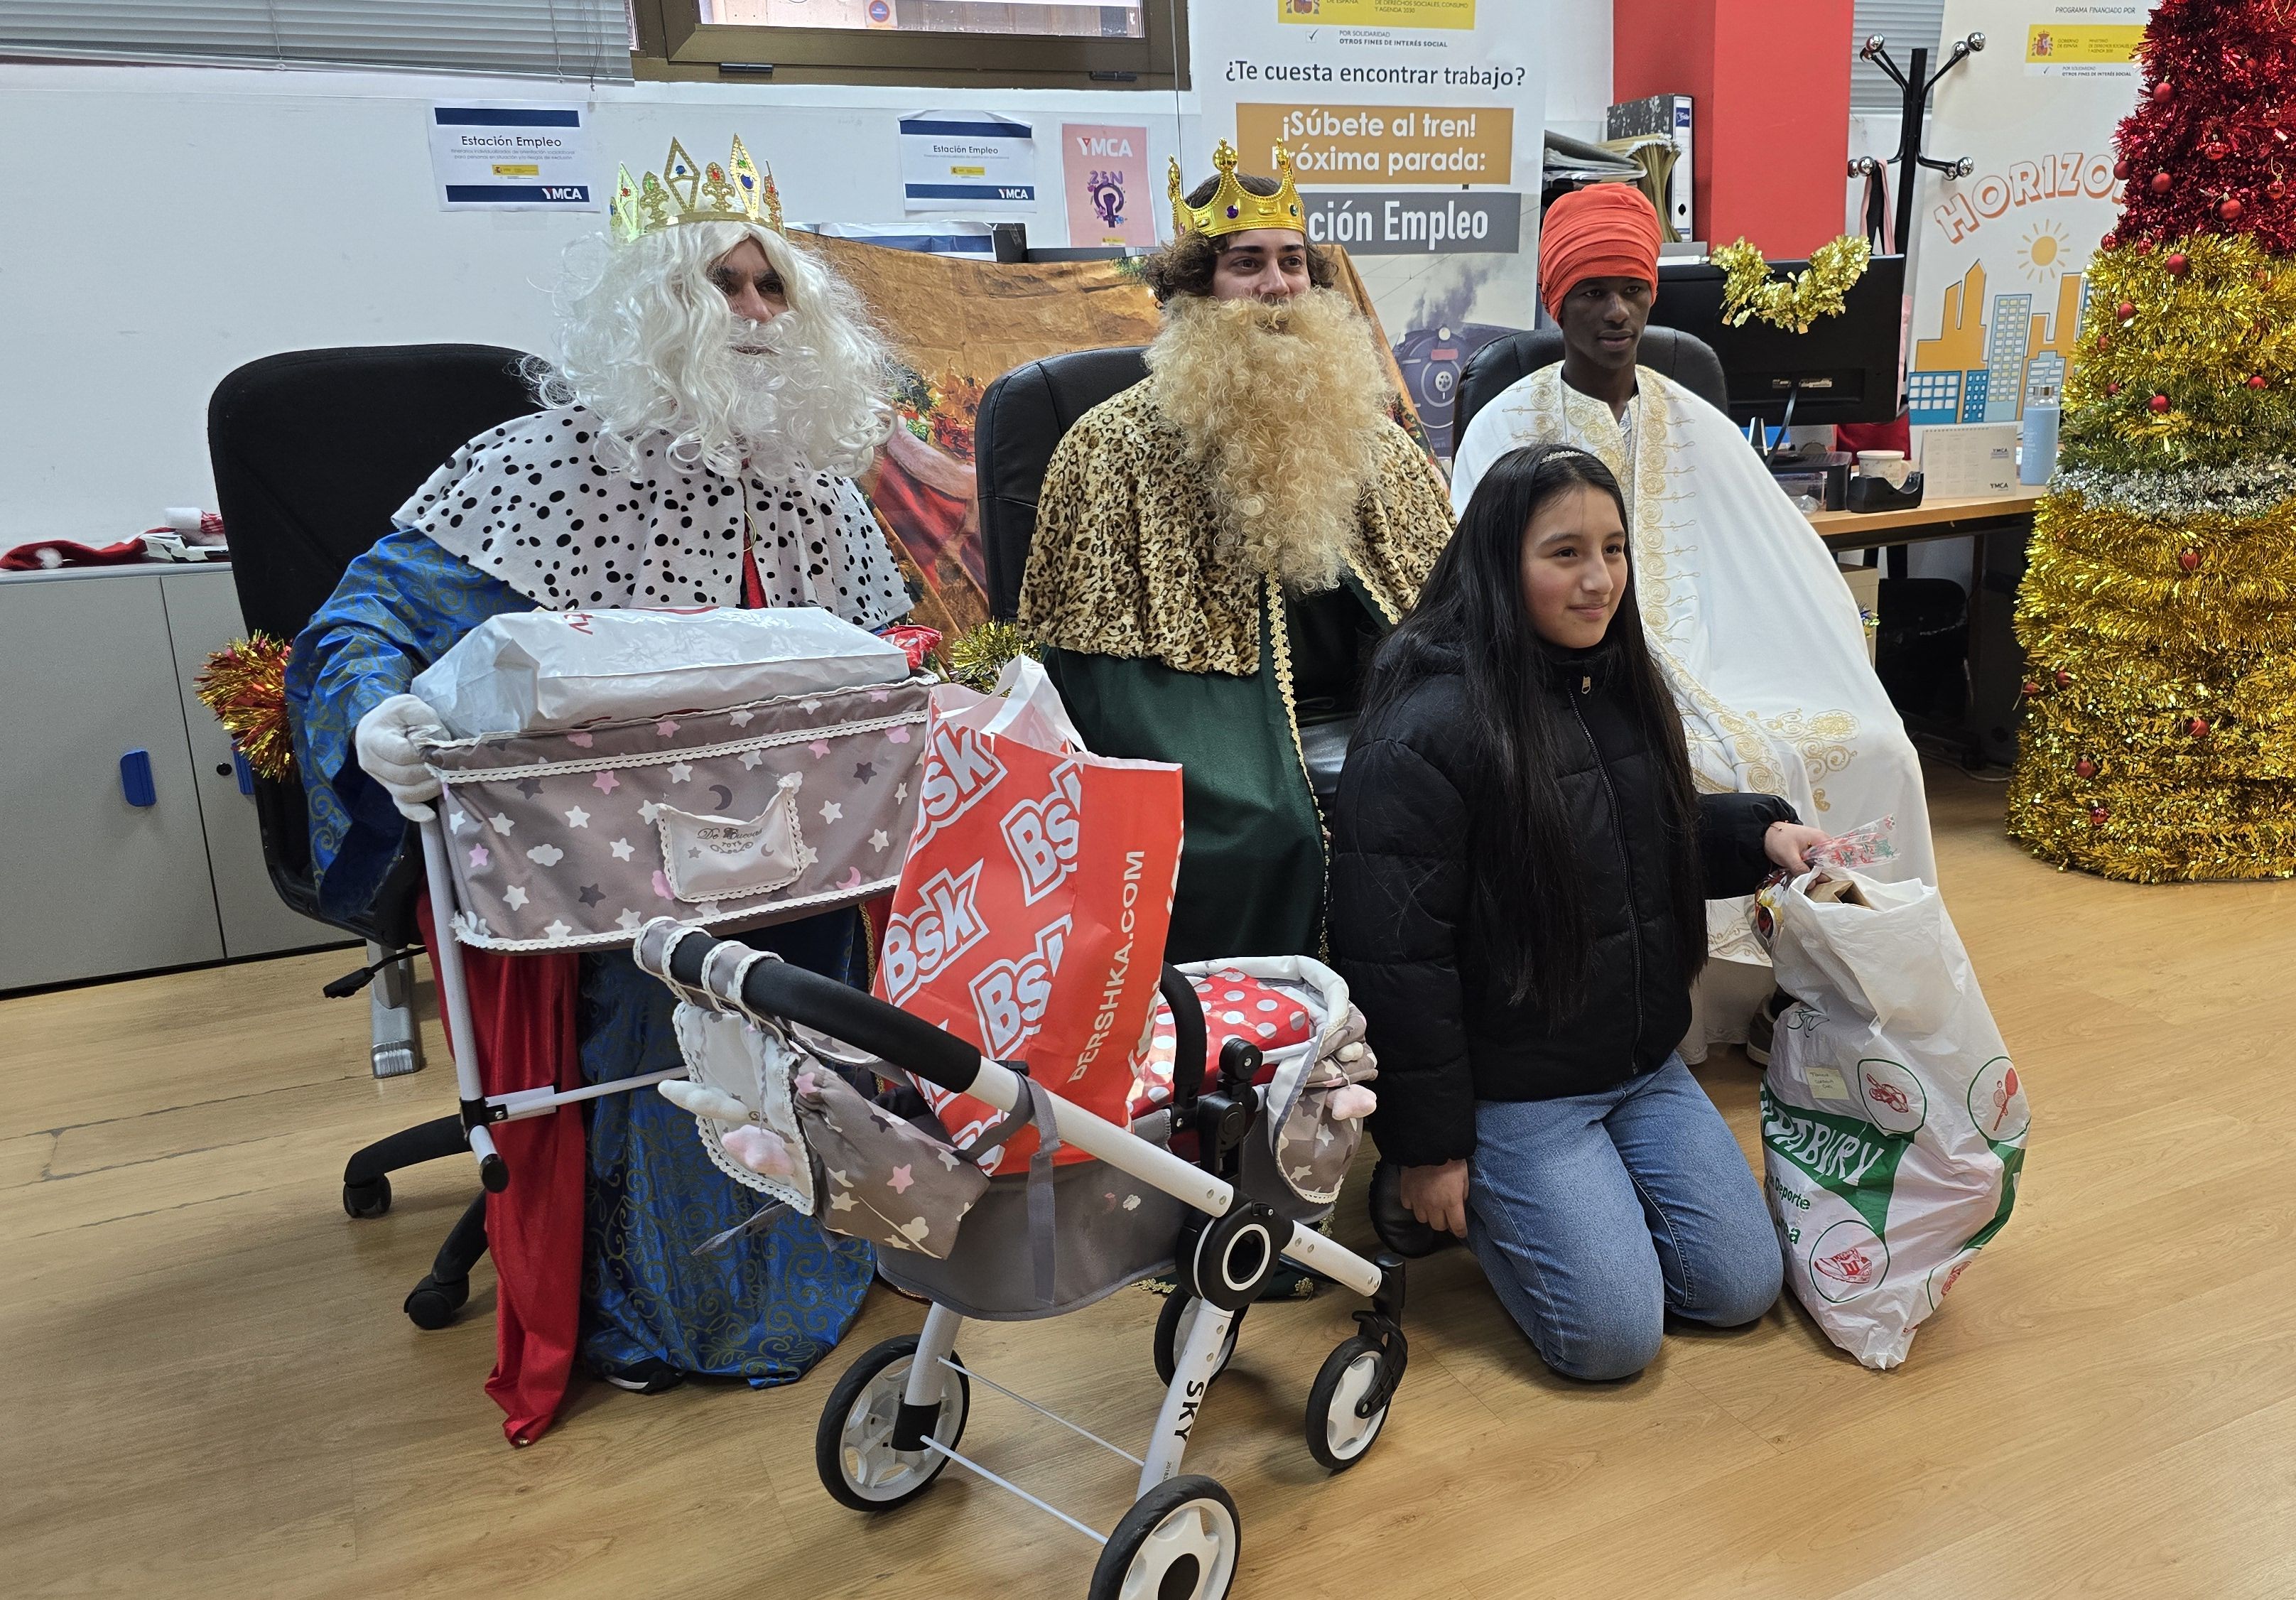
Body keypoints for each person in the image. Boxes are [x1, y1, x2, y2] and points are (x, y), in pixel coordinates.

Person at [285, 139, 897, 1441]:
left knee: (821, 991)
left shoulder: (823, 492)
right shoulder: (538, 468)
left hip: (804, 868)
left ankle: (830, 1243)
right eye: (718, 285)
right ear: (647, 307)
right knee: (658, 1024)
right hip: (607, 891)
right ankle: (660, 1302)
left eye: (769, 287)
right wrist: (373, 716)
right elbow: (357, 624)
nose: (747, 313)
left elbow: (891, 656)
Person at [1330, 443, 1819, 1382]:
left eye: (1615, 549)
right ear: (1499, 564)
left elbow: (1650, 836)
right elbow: (1395, 959)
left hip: (1638, 1061)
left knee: (1740, 1288)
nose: (1599, 582)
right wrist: (1430, 1149)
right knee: (1611, 1343)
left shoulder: (1620, 680)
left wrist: (1763, 839)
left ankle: (1581, 1199)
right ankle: (1447, 1198)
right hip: (1517, 1092)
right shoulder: (1427, 726)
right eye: (1564, 554)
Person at [1449, 184, 1937, 1056]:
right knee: (1689, 758)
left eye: (1631, 288)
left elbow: (1775, 560)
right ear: (1554, 299)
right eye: (1591, 290)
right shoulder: (1503, 423)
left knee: (1877, 743)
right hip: (1565, 672)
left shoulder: (1696, 419)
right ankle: (1695, 1012)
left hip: (1722, 662)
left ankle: (1821, 979)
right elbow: (1481, 583)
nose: (1614, 310)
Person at [1017, 141, 1454, 963]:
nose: (1277, 286)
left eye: (1292, 263)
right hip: (1207, 730)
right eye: (1245, 264)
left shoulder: (1377, 439)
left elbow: (1446, 606)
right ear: (1194, 289)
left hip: (1379, 715)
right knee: (1261, 831)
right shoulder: (1110, 448)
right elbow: (1095, 674)